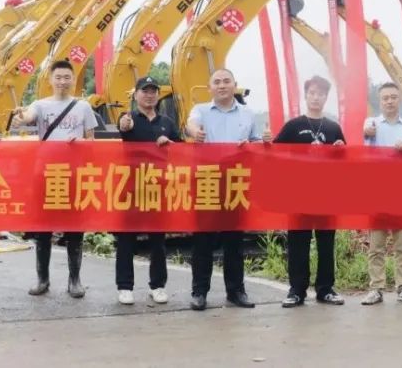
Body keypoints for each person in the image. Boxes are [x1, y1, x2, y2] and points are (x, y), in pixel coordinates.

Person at [11, 59, 98, 298]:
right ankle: (42, 279)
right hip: (45, 174)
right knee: (43, 228)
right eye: (58, 77)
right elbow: (28, 117)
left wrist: (78, 142)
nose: (62, 81)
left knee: (75, 228)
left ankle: (75, 280)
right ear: (50, 80)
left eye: (66, 77)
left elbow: (92, 142)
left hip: (74, 175)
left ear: (73, 80)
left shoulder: (83, 107)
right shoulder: (40, 105)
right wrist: (21, 118)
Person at [185, 68, 263, 311]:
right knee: (203, 240)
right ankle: (199, 292)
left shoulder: (248, 114)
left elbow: (258, 142)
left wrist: (253, 144)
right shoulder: (201, 110)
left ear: (234, 84)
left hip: (235, 181)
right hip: (207, 180)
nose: (222, 86)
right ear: (210, 88)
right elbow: (190, 125)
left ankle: (236, 291)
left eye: (226, 81)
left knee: (234, 240)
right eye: (216, 82)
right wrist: (194, 133)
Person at [274, 76, 346, 308]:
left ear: (326, 97)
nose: (316, 97)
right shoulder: (293, 126)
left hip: (327, 195)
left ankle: (325, 289)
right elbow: (273, 155)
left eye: (321, 94)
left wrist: (339, 151)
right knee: (298, 243)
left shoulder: (334, 128)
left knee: (326, 243)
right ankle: (297, 290)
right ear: (306, 95)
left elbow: (345, 162)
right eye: (312, 93)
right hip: (299, 195)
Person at [115, 76, 180, 306]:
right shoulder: (129, 118)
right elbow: (122, 129)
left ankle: (158, 286)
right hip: (131, 186)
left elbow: (181, 151)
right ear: (136, 95)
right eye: (145, 91)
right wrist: (124, 126)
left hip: (158, 186)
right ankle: (124, 287)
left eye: (153, 91)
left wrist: (170, 144)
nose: (149, 95)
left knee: (158, 240)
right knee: (126, 238)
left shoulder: (168, 122)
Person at [360, 82, 402, 306]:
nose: (389, 101)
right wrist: (366, 131)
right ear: (380, 101)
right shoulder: (372, 124)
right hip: (378, 192)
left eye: (393, 97)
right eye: (385, 98)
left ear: (400, 100)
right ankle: (376, 288)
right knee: (376, 245)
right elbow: (364, 139)